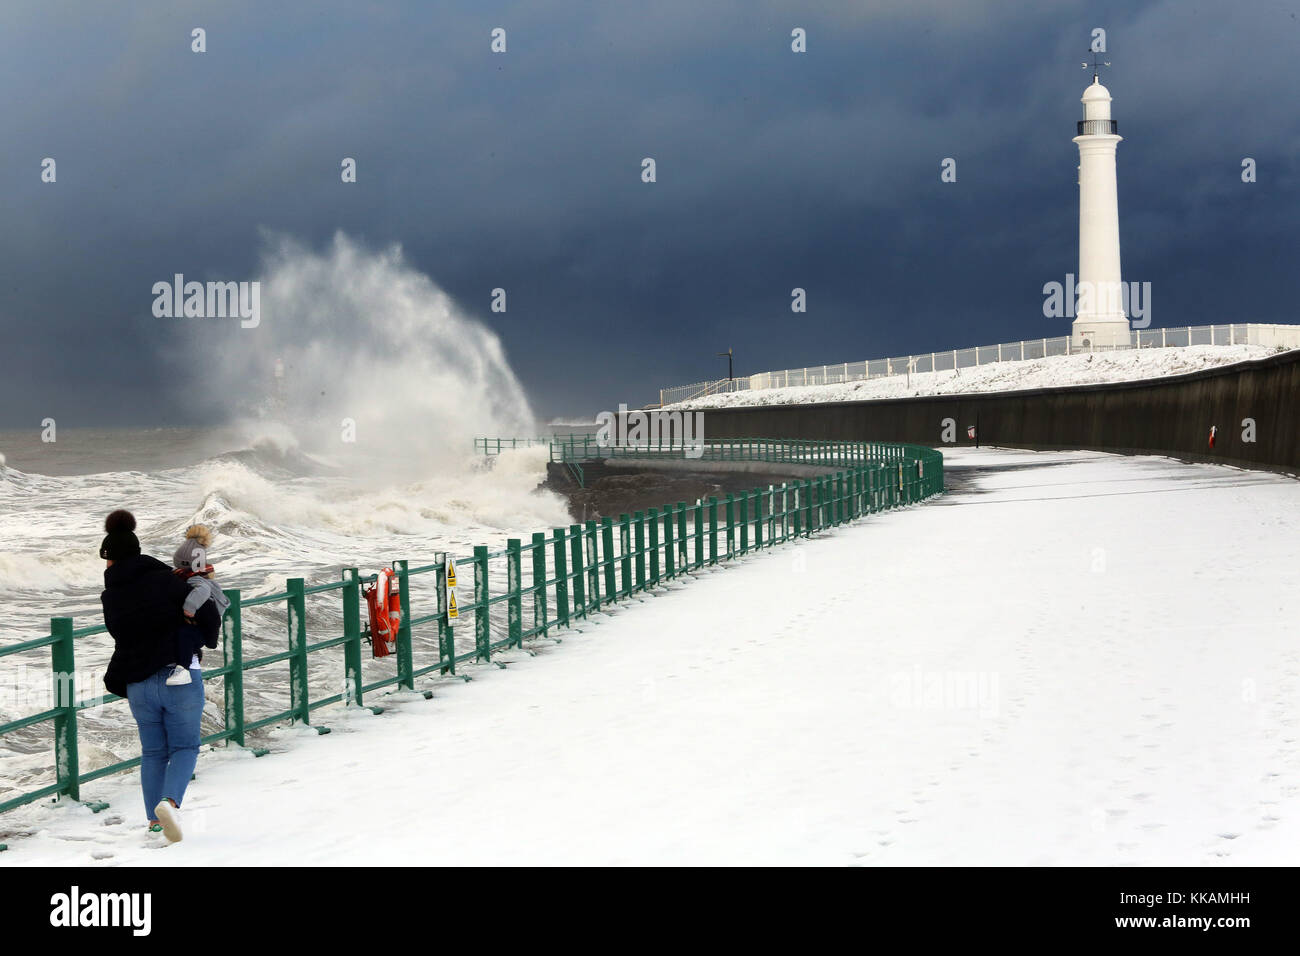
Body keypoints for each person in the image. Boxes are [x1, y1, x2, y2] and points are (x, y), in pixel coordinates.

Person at [100, 510, 220, 843]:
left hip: (138, 682)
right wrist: (204, 634)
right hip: (177, 674)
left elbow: (119, 632)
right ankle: (169, 803)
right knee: (185, 747)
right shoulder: (166, 579)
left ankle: (154, 821)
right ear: (138, 553)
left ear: (111, 561)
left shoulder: (111, 596)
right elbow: (207, 607)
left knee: (153, 752)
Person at [165, 525, 228, 686]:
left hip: (203, 626)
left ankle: (183, 670)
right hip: (203, 624)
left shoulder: (196, 580)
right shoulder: (195, 576)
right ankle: (194, 655)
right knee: (185, 637)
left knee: (185, 635)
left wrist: (189, 608)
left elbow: (203, 591)